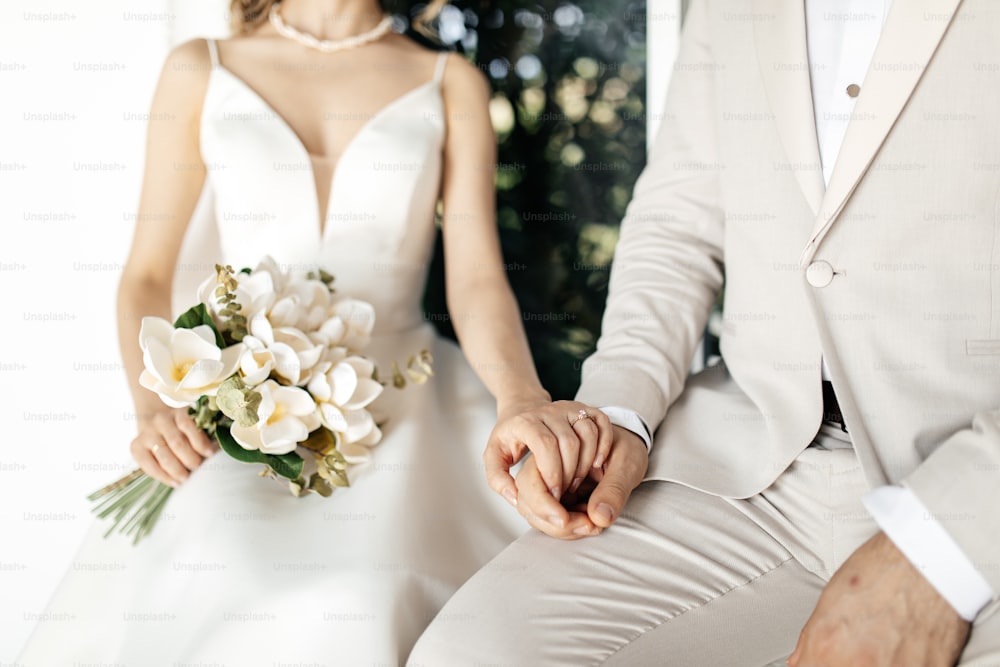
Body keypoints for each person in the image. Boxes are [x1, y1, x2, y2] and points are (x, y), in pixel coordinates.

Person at [410, 0, 1000, 665]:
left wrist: (940, 551)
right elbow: (679, 222)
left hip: (975, 473)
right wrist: (618, 417)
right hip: (759, 464)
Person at [19, 0, 542, 663]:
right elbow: (145, 277)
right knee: (221, 571)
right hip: (240, 401)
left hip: (409, 404)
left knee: (376, 593)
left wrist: (522, 397)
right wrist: (154, 412)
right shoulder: (200, 68)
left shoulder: (449, 81)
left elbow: (475, 280)